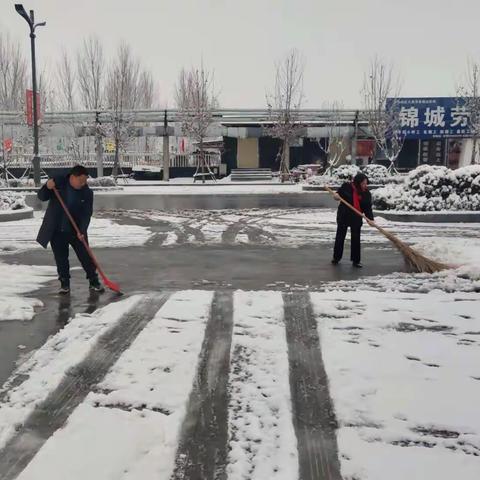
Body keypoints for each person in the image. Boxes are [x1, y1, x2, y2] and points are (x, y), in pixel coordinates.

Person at [36, 165, 104, 294]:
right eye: (81, 180)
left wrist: (82, 230)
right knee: (61, 258)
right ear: (72, 177)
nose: (83, 183)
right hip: (57, 230)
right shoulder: (58, 184)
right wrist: (47, 186)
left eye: (85, 181)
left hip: (76, 230)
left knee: (85, 256)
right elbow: (42, 196)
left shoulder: (87, 192)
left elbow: (86, 214)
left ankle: (94, 281)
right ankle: (64, 283)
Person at [332, 172, 374, 268]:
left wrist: (370, 219)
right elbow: (338, 194)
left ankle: (356, 260)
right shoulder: (347, 187)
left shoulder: (366, 193)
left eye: (366, 183)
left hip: (356, 217)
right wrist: (336, 196)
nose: (365, 185)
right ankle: (336, 257)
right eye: (363, 183)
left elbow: (367, 208)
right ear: (358, 182)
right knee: (340, 237)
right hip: (344, 215)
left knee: (356, 239)